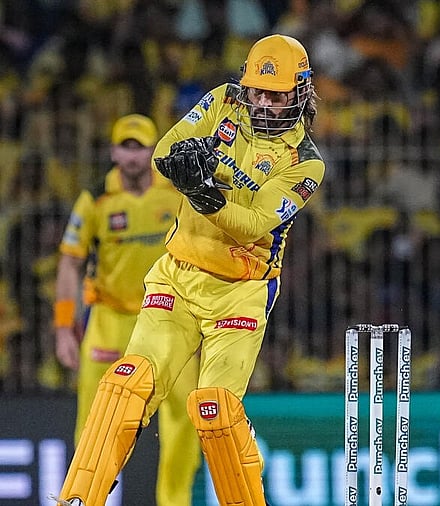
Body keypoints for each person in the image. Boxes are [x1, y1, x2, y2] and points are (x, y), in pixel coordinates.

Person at [54, 33, 325, 506]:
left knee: (215, 410)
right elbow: (165, 151)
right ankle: (77, 499)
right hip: (177, 277)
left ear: (300, 92)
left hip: (241, 291)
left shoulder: (305, 164)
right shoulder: (223, 100)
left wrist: (202, 190)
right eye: (257, 91)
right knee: (126, 383)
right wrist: (186, 169)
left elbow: (253, 225)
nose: (262, 102)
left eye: (276, 94)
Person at [54, 114, 201, 506]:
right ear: (113, 151)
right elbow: (70, 262)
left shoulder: (176, 193)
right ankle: (85, 498)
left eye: (141, 148)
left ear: (154, 152)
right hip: (110, 319)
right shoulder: (97, 198)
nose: (133, 157)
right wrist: (63, 327)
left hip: (169, 317)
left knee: (187, 412)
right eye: (126, 147)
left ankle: (175, 499)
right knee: (94, 420)